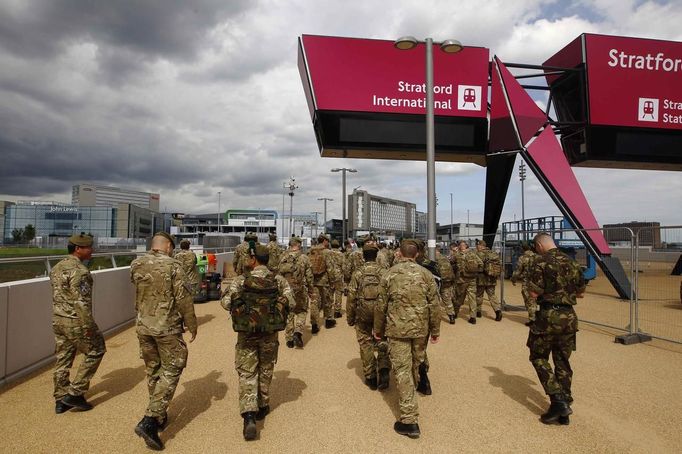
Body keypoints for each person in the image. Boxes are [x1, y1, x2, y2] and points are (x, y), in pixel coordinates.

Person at [130, 232, 198, 450]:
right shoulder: (174, 266)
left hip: (143, 325)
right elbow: (183, 299)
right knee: (173, 366)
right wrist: (192, 324)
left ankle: (158, 416)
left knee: (153, 368)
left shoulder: (136, 263)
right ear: (168, 246)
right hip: (166, 326)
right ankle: (150, 419)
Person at [221, 243, 295, 441]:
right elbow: (292, 302)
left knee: (247, 372)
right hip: (270, 333)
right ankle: (263, 405)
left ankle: (249, 416)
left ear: (253, 259)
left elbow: (225, 302)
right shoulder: (278, 280)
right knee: (265, 369)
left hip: (246, 334)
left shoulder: (241, 280)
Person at [374, 240, 440, 439]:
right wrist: (436, 330)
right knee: (414, 365)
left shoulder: (390, 274)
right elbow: (434, 305)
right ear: (417, 254)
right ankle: (412, 396)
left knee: (402, 370)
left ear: (400, 254)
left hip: (397, 330)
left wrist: (378, 329)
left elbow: (381, 305)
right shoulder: (426, 274)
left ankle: (409, 420)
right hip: (421, 329)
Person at [527, 233, 586, 425]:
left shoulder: (541, 262)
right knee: (562, 361)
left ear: (539, 245)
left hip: (547, 318)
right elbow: (581, 291)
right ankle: (565, 406)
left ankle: (558, 401)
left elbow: (534, 292)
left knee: (538, 357)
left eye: (536, 247)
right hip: (568, 318)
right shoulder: (572, 262)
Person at [49, 233, 106, 414]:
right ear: (78, 249)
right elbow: (82, 302)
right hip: (76, 321)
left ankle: (60, 399)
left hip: (58, 320)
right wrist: (88, 327)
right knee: (96, 350)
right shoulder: (80, 271)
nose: (92, 250)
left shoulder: (56, 268)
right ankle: (75, 392)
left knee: (63, 358)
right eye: (88, 247)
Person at [347, 243, 390, 390]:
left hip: (363, 313)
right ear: (376, 255)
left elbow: (351, 297)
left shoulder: (358, 273)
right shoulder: (384, 272)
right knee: (382, 339)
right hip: (381, 312)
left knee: (365, 342)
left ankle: (370, 376)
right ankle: (384, 369)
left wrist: (350, 317)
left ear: (363, 256)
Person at [278, 236, 315, 348]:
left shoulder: (282, 257)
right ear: (298, 245)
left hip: (286, 289)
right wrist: (311, 290)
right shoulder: (304, 258)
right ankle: (298, 332)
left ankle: (289, 339)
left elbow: (278, 274)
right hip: (300, 289)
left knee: (289, 312)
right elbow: (309, 276)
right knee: (302, 311)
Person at [308, 234, 339, 330]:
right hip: (325, 280)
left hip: (314, 280)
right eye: (327, 240)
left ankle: (314, 324)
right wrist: (333, 280)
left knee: (314, 302)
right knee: (327, 300)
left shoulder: (311, 250)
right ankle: (329, 320)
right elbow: (330, 268)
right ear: (324, 241)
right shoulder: (327, 252)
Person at [453, 240, 483, 324]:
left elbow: (450, 261)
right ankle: (473, 317)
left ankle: (455, 313)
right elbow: (481, 264)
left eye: (461, 245)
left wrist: (453, 252)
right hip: (472, 279)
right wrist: (475, 272)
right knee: (472, 298)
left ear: (461, 246)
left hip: (461, 279)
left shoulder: (458, 254)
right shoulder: (473, 253)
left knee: (459, 297)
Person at [475, 240, 503, 321]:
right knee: (492, 295)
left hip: (481, 278)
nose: (477, 247)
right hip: (492, 278)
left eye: (477, 245)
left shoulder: (478, 254)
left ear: (480, 246)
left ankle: (478, 312)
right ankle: (498, 311)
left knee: (479, 295)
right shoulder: (493, 253)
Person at [511, 242, 538, 324]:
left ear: (522, 248)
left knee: (529, 300)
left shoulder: (522, 258)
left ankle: (533, 319)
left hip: (527, 282)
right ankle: (535, 317)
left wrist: (513, 279)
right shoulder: (537, 257)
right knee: (534, 300)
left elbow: (517, 271)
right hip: (538, 282)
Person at [435, 249, 457, 324]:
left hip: (437, 281)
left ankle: (435, 317)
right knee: (447, 299)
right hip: (447, 280)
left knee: (435, 299)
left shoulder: (431, 258)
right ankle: (451, 316)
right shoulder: (445, 258)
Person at [329, 239, 345, 318]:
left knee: (330, 293)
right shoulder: (341, 254)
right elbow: (344, 266)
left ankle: (329, 310)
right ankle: (337, 311)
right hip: (338, 275)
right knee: (338, 293)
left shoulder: (328, 253)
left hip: (330, 275)